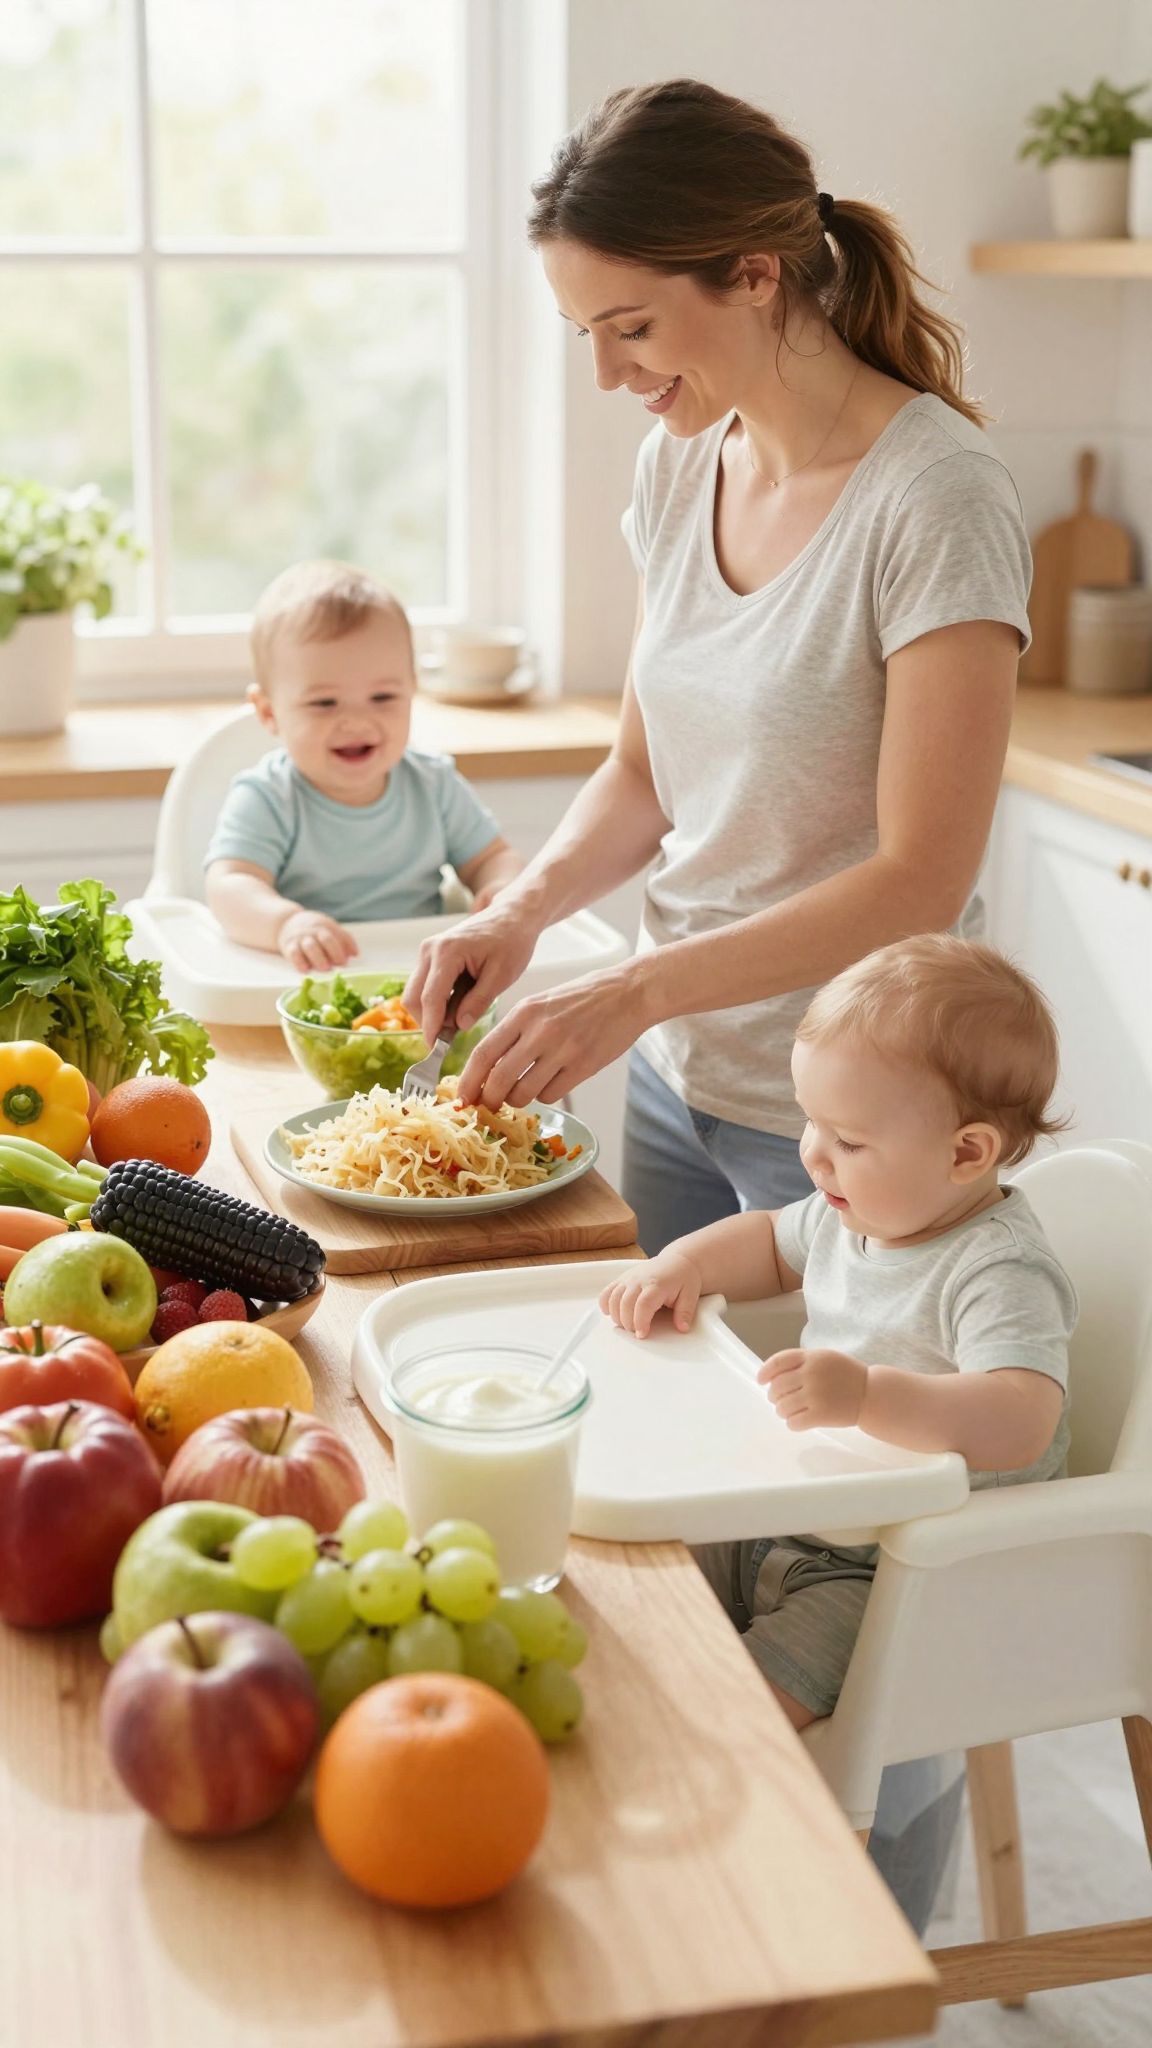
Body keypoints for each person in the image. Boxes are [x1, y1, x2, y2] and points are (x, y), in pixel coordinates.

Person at [402, 77, 1033, 1926]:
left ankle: (853, 1940)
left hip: (865, 1140)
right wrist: (526, 916)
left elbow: (917, 871)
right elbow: (644, 771)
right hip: (689, 1094)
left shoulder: (939, 499)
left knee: (849, 1570)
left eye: (628, 325)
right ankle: (704, 1923)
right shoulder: (682, 462)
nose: (609, 372)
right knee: (693, 1535)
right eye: (584, 332)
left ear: (755, 274)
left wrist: (637, 976)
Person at [600, 934, 1076, 1733]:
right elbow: (766, 1243)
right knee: (636, 1582)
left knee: (733, 1718)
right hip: (794, 1509)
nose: (814, 1156)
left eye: (848, 1141)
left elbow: (1023, 1417)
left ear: (967, 1153)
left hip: (898, 1569)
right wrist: (681, 1263)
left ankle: (737, 1824)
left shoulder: (1000, 1269)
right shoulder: (856, 1210)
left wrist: (866, 1395)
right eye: (811, 1122)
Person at [205, 560, 522, 975]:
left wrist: (500, 890)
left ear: (413, 689)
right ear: (269, 713)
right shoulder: (268, 797)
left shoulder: (433, 785)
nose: (355, 721)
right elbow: (229, 887)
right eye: (324, 703)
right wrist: (286, 924)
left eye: (383, 698)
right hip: (308, 981)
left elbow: (492, 857)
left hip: (419, 977)